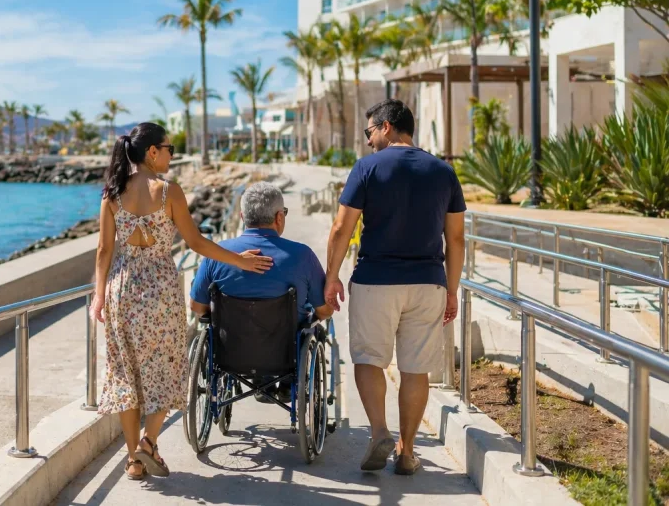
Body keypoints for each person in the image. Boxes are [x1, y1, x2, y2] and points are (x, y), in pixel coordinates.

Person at [92, 122, 273, 481]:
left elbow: (103, 251)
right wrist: (241, 260)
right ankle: (149, 443)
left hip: (122, 289)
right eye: (169, 148)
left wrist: (99, 295)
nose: (172, 155)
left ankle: (134, 461)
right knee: (165, 369)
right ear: (151, 153)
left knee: (126, 376)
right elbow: (196, 243)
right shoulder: (167, 191)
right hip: (159, 289)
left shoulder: (112, 194)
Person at [324, 99, 466, 476]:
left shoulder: (366, 168)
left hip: (376, 281)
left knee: (369, 358)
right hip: (428, 283)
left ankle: (379, 432)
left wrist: (331, 276)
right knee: (415, 369)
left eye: (369, 132)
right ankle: (406, 451)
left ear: (387, 127)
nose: (368, 141)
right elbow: (456, 240)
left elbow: (341, 228)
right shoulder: (444, 172)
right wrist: (451, 290)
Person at [189, 181, 332, 402]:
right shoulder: (303, 256)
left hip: (229, 354)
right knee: (309, 327)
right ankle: (285, 385)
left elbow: (197, 308)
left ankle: (260, 382)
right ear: (279, 217)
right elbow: (324, 310)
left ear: (243, 216)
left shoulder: (217, 255)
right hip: (286, 355)